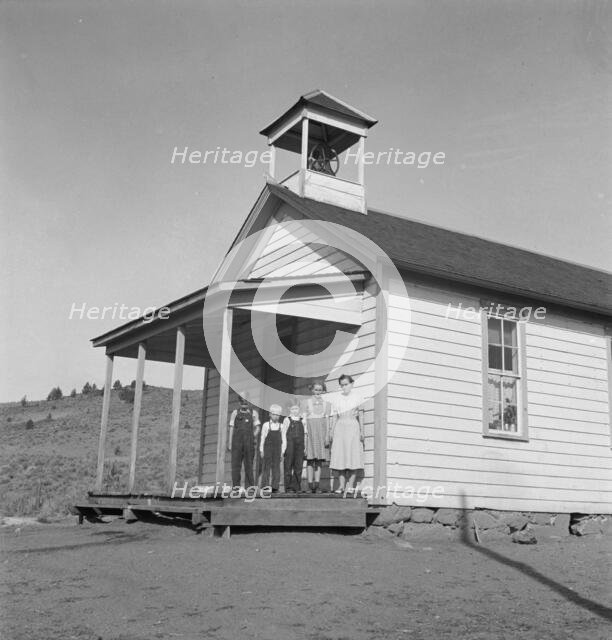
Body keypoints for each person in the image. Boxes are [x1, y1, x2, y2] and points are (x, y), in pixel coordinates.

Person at [329, 374, 364, 495]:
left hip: (353, 426)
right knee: (340, 456)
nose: (344, 387)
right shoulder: (337, 398)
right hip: (340, 427)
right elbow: (334, 417)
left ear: (352, 384)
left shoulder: (358, 397)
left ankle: (351, 485)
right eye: (342, 385)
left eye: (346, 384)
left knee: (353, 456)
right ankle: (342, 486)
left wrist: (362, 431)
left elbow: (361, 415)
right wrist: (331, 432)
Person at [227, 393, 260, 491]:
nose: (244, 404)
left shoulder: (254, 413)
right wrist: (229, 443)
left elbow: (257, 428)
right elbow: (232, 428)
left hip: (249, 443)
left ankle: (249, 487)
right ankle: (236, 487)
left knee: (249, 464)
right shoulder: (235, 413)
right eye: (242, 402)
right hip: (237, 443)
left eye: (246, 402)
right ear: (239, 402)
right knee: (236, 465)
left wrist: (252, 436)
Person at [304, 381, 331, 493]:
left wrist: (327, 435)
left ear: (323, 391)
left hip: (321, 433)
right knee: (310, 460)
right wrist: (305, 435)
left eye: (320, 390)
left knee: (319, 460)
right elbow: (304, 420)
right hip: (310, 434)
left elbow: (328, 420)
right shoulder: (307, 402)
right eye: (316, 390)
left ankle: (317, 484)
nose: (318, 392)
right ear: (312, 390)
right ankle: (310, 485)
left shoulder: (326, 404)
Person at [259, 404, 285, 493]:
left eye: (278, 414)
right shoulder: (266, 425)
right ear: (270, 414)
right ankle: (265, 486)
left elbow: (283, 440)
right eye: (274, 414)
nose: (275, 416)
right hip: (267, 448)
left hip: (277, 449)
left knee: (276, 468)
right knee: (266, 467)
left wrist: (282, 451)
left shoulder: (281, 426)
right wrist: (261, 450)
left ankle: (275, 486)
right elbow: (262, 438)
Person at [283, 400, 308, 493]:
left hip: (300, 445)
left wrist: (305, 447)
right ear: (289, 409)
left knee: (298, 466)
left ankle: (296, 486)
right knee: (288, 465)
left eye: (296, 408)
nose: (295, 410)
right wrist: (284, 447)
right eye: (293, 409)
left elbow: (305, 434)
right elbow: (283, 434)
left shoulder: (303, 420)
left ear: (299, 409)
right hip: (290, 445)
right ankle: (288, 487)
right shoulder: (287, 419)